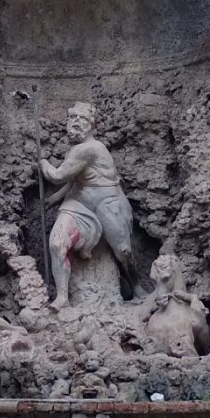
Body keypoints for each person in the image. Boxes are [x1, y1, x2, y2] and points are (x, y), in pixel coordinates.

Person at [40, 102, 137, 310]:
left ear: (92, 126)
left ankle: (136, 287)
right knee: (57, 243)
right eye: (72, 118)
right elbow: (76, 180)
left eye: (81, 119)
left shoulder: (89, 149)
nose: (75, 123)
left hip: (107, 201)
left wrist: (43, 164)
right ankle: (62, 297)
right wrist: (54, 199)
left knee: (124, 250)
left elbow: (57, 176)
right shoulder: (77, 150)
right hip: (79, 202)